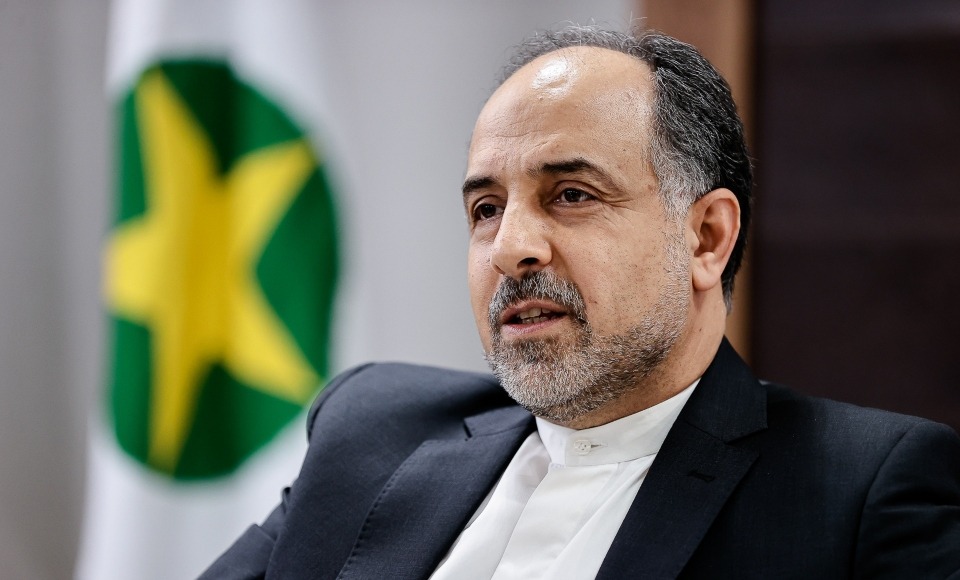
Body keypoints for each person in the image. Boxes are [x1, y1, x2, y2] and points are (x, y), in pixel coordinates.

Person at [201, 26, 960, 579]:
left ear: (706, 238)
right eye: (486, 209)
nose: (510, 248)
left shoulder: (861, 493)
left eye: (571, 194)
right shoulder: (372, 429)